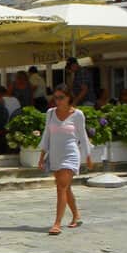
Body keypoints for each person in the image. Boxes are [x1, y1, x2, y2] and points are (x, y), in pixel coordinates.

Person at [37, 87, 92, 236]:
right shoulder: (50, 113)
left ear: (69, 98)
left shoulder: (78, 114)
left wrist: (88, 156)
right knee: (65, 188)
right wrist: (42, 157)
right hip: (55, 155)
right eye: (55, 97)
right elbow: (46, 135)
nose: (58, 100)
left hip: (71, 155)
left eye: (61, 97)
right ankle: (76, 215)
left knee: (60, 187)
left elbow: (83, 136)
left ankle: (57, 223)